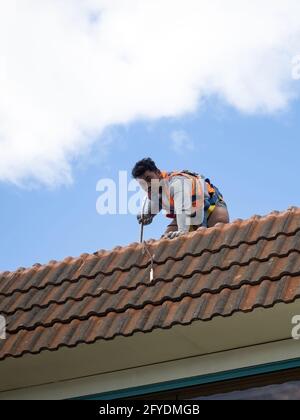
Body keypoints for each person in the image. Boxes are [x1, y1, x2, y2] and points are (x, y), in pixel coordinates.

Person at [132, 158, 230, 239]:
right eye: (142, 183)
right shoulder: (154, 191)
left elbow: (183, 207)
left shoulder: (176, 183)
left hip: (211, 208)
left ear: (158, 173)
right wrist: (146, 215)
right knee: (165, 243)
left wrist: (182, 231)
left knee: (217, 235)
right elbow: (153, 207)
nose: (148, 185)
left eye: (149, 179)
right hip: (187, 216)